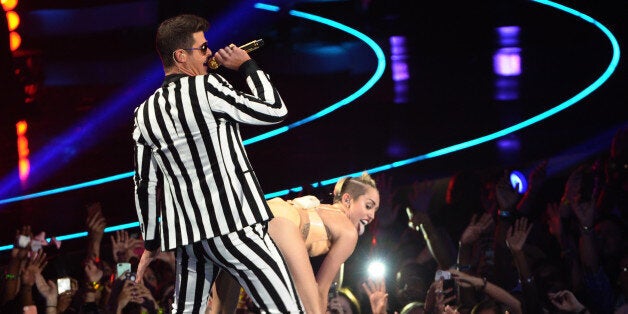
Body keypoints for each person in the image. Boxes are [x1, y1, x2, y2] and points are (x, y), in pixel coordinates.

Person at [132, 14, 302, 313]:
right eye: (203, 48)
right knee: (286, 308)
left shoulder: (144, 113)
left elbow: (145, 183)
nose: (210, 54)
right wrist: (247, 66)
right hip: (233, 225)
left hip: (190, 239)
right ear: (181, 56)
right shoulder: (207, 88)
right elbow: (274, 110)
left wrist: (151, 241)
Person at [211, 172, 380, 313]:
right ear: (347, 199)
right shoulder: (349, 233)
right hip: (281, 226)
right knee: (313, 307)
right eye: (368, 206)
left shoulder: (321, 208)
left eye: (375, 210)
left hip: (247, 218)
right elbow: (321, 290)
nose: (372, 215)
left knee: (221, 309)